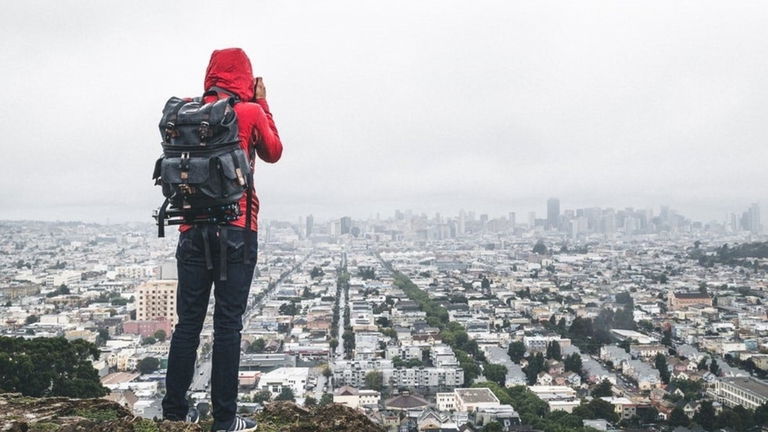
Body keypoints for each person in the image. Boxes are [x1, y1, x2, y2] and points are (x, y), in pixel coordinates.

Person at [162, 47, 282, 432]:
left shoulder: (187, 114)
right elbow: (274, 152)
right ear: (245, 77)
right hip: (236, 230)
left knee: (187, 325)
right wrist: (264, 103)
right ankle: (225, 421)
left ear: (211, 74)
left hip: (190, 230)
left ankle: (174, 415)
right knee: (228, 326)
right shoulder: (247, 112)